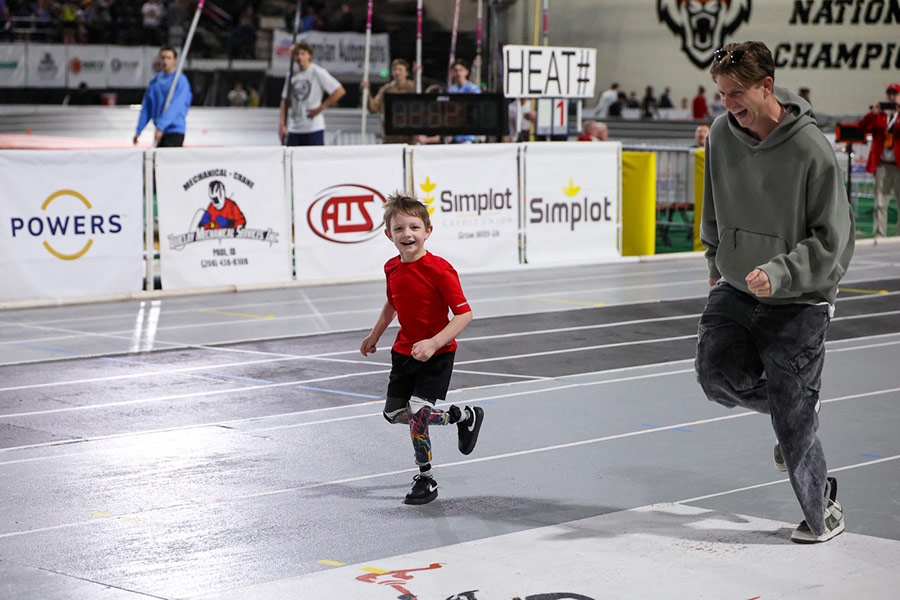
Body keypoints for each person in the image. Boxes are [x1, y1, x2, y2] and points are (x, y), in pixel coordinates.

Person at [696, 41, 854, 544]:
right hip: (738, 282)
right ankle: (797, 408)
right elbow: (714, 207)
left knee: (791, 416)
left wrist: (782, 273)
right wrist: (716, 261)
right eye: (721, 94)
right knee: (714, 374)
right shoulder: (721, 135)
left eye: (736, 93)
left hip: (802, 295)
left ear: (767, 86)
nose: (728, 104)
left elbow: (833, 240)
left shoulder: (811, 149)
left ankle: (824, 512)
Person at [360, 194, 482, 505]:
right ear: (389, 234)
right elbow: (392, 304)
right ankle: (461, 416)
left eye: (414, 227)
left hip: (437, 355)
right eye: (399, 228)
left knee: (416, 413)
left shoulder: (439, 269)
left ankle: (426, 478)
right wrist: (375, 335)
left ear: (428, 231)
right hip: (404, 353)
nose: (407, 234)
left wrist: (433, 342)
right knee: (393, 414)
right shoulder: (391, 267)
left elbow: (464, 314)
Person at [279, 41, 346, 146]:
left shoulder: (317, 72)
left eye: (303, 54)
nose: (300, 57)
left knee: (314, 156)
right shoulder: (291, 74)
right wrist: (282, 125)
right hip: (294, 128)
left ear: (309, 55)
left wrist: (320, 108)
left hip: (313, 128)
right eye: (297, 54)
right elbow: (284, 100)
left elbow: (339, 91)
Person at [857, 83, 900, 242]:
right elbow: (862, 128)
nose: (892, 97)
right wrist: (872, 114)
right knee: (881, 202)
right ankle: (880, 234)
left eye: (895, 94)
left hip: (898, 166)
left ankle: (899, 236)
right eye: (890, 94)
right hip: (883, 164)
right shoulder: (880, 116)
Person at [134, 45, 192, 147]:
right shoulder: (155, 82)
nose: (165, 61)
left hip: (174, 131)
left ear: (175, 60)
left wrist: (161, 126)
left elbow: (176, 106)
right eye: (163, 58)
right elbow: (147, 107)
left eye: (169, 58)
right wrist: (139, 130)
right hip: (159, 132)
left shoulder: (180, 81)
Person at [364, 58, 416, 144]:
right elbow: (373, 108)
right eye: (395, 69)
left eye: (400, 70)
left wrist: (417, 75)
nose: (397, 72)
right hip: (390, 136)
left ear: (406, 73)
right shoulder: (386, 89)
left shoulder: (413, 87)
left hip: (409, 136)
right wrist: (367, 92)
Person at [447, 59, 480, 143]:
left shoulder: (473, 89)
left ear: (466, 72)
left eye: (461, 70)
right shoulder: (452, 90)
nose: (458, 73)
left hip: (469, 135)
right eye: (456, 70)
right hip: (456, 135)